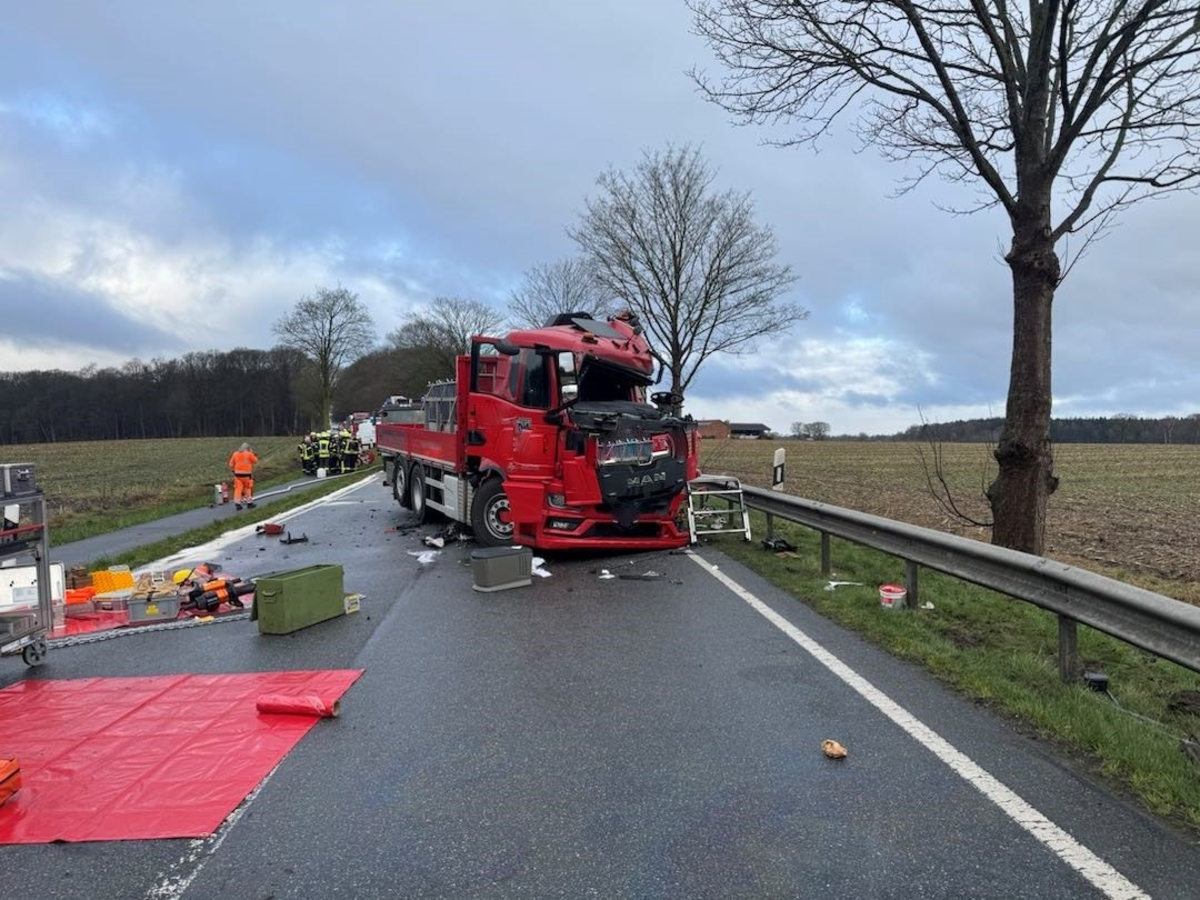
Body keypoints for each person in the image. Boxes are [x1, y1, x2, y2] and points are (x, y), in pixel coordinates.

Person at [228, 442, 259, 510]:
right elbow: (255, 461)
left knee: (238, 489)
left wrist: (234, 470)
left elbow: (231, 464)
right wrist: (252, 453)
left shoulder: (235, 453)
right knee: (247, 488)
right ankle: (249, 503)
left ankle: (237, 504)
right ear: (248, 448)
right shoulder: (249, 453)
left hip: (237, 475)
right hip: (246, 475)